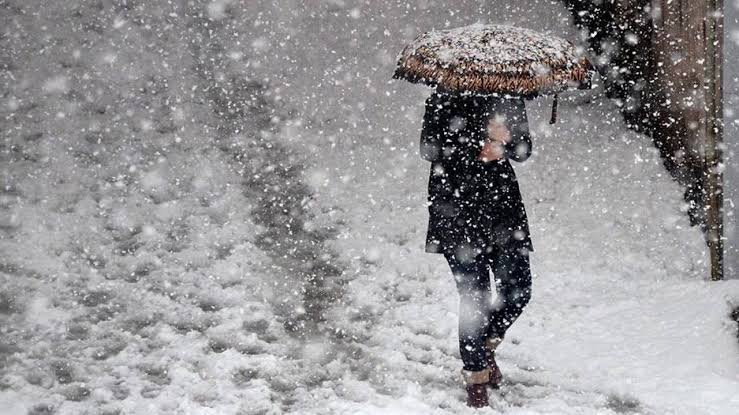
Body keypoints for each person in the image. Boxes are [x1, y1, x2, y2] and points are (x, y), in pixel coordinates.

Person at [419, 88, 534, 408]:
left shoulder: (509, 97)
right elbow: (429, 149)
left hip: (503, 211)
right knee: (475, 298)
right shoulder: (443, 99)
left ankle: (483, 347)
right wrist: (479, 142)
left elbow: (524, 150)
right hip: (456, 211)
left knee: (519, 289)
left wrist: (506, 142)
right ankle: (476, 377)